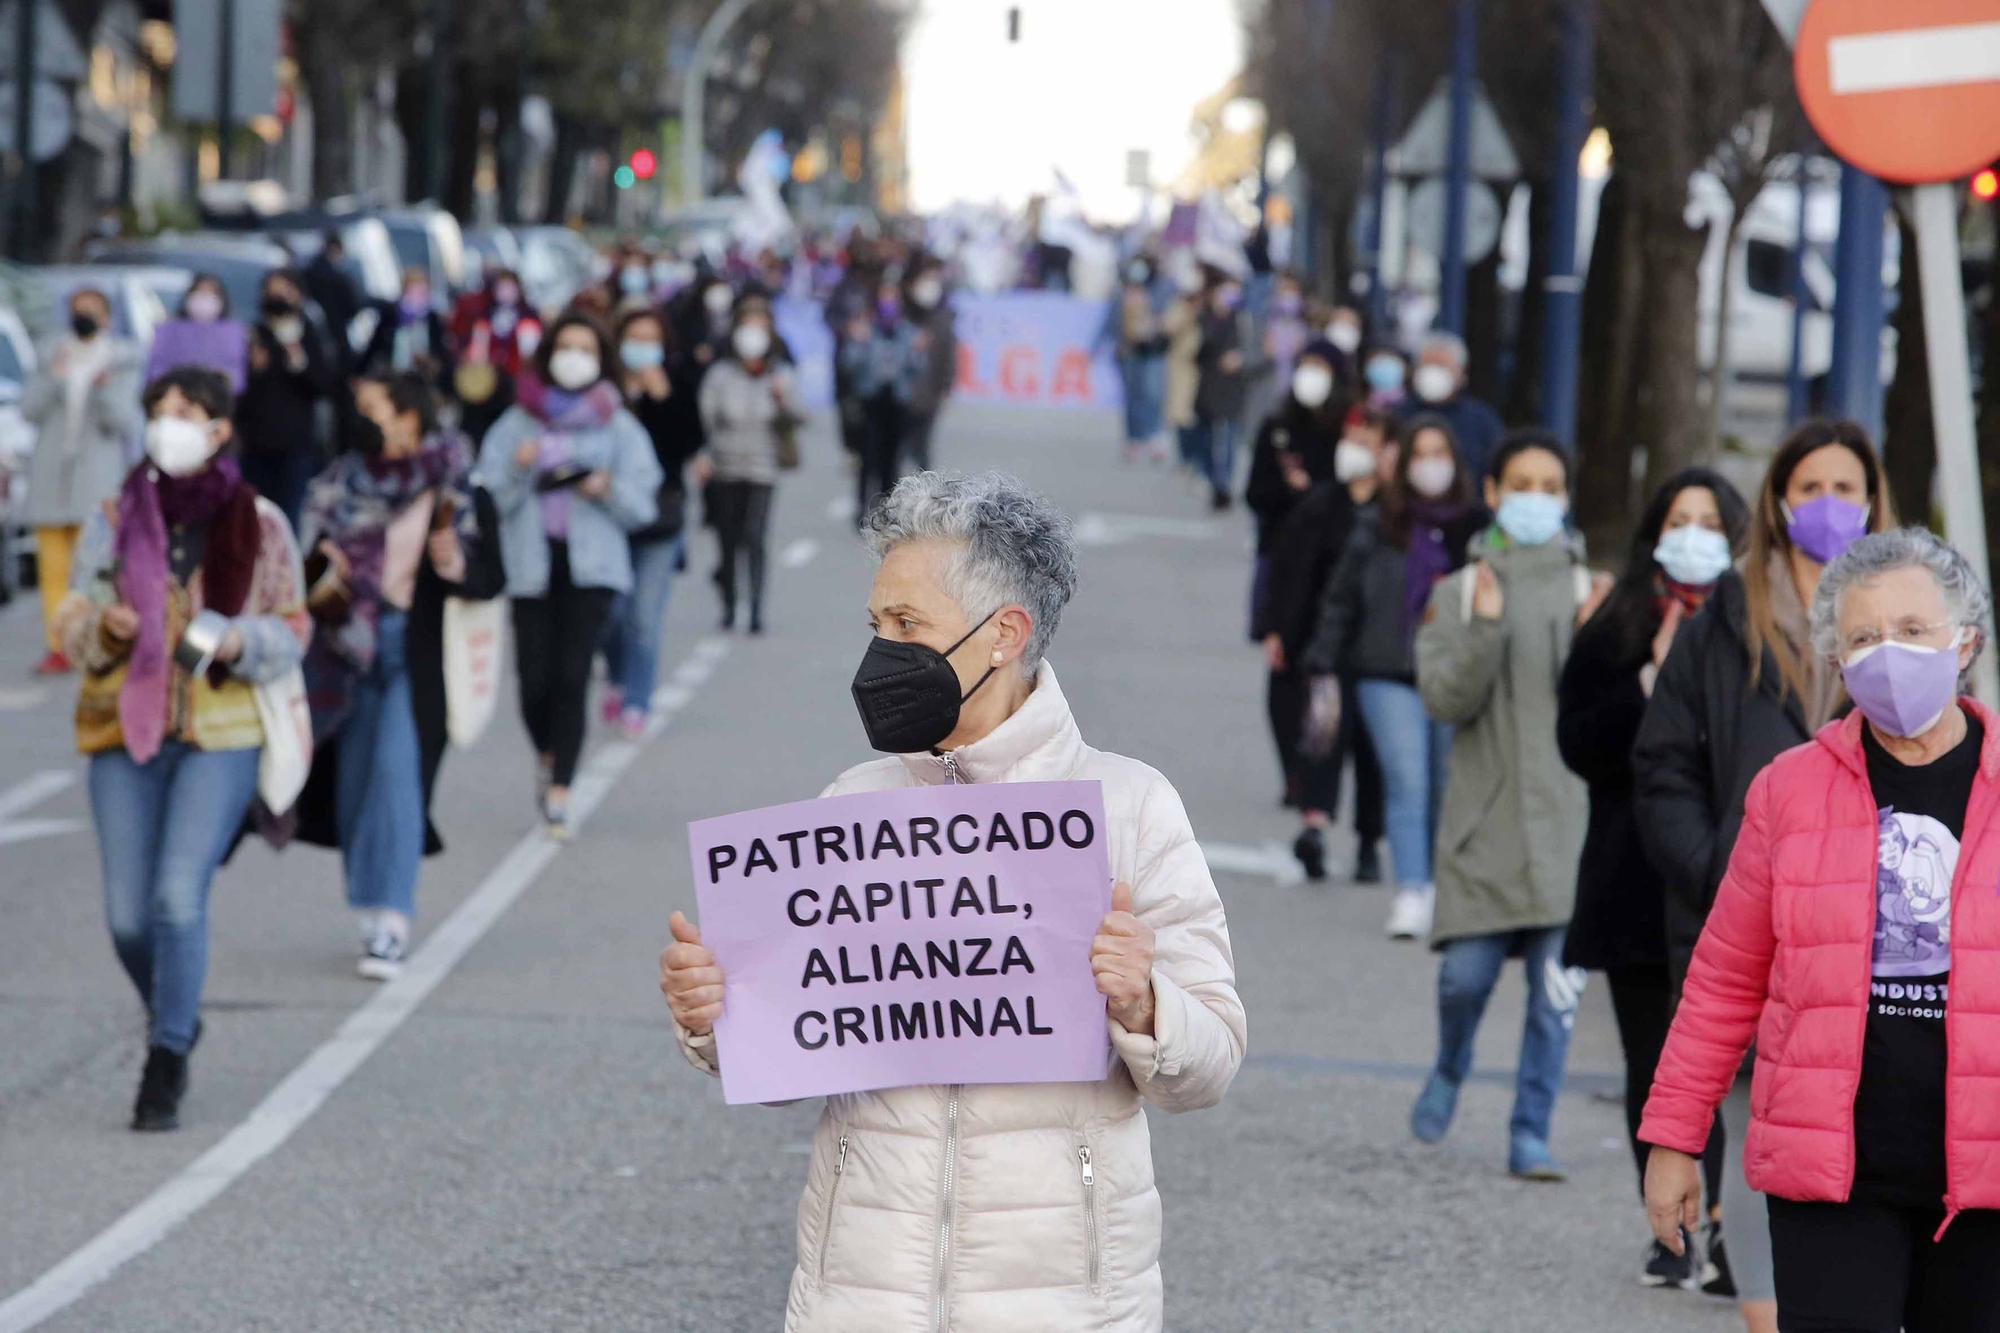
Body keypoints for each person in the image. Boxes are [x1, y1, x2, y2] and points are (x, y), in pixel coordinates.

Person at [657, 470, 1246, 1332]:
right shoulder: (854, 806)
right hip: (860, 1293)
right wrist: (715, 1015)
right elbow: (790, 1050)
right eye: (875, 625)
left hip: (1067, 1300)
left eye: (907, 626)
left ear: (1004, 633)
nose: (880, 654)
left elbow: (1213, 1059)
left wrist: (1145, 1000)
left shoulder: (1128, 806)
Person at [1642, 528, 2000, 1333]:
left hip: (1988, 1177)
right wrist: (1674, 1137)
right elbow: (1725, 978)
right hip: (1832, 1176)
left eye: (1912, 630)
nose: (1889, 653)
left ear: (1964, 638)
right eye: (1865, 637)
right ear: (1837, 661)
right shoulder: (1789, 791)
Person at [1633, 418, 1893, 1328]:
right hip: (1743, 914)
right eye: (1811, 488)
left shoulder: (1897, 620)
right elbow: (1660, 764)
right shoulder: (1729, 621)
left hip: (1875, 930)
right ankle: (1764, 1310)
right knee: (1753, 1122)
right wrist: (1716, 870)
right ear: (1780, 501)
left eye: (1846, 488)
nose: (1829, 506)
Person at [52, 367, 309, 1131]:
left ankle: (166, 1055)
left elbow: (294, 625)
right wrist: (105, 627)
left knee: (175, 895)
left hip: (219, 732)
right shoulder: (114, 516)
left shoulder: (259, 523)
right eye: (161, 411)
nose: (171, 423)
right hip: (120, 729)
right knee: (128, 916)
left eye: (186, 412)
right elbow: (72, 614)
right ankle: (178, 1010)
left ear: (221, 428)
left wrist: (238, 637)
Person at [1557, 467, 1749, 1287]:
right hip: (1634, 875)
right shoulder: (1615, 622)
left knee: (1739, 1067)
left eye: (1712, 519)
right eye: (1681, 517)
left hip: (1735, 878)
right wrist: (1651, 685)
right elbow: (1582, 745)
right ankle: (1670, 1226)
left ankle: (1729, 1225)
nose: (1696, 532)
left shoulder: (1762, 626)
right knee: (1655, 1061)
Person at [1407, 429, 1605, 1180]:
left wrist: (1598, 639)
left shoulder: (1591, 589)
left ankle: (1531, 1128)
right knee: (1465, 977)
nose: (1536, 497)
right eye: (1520, 482)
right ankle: (1451, 1063)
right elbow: (1444, 698)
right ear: (1492, 492)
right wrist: (1486, 623)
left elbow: (1606, 709)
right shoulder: (1457, 591)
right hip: (1484, 826)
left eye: (1551, 484)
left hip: (1566, 828)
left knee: (1555, 1000)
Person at [293, 371, 503, 978]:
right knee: (355, 786)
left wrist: (453, 558)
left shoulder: (453, 480)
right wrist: (320, 570)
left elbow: (491, 574)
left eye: (375, 407)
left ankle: (391, 918)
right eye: (358, 406)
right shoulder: (335, 483)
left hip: (416, 651)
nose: (363, 417)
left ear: (410, 416)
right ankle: (369, 902)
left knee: (396, 773)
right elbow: (295, 573)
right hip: (343, 651)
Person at [472, 312, 662, 838]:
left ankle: (561, 790)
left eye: (586, 348)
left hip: (594, 569)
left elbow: (642, 504)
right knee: (534, 680)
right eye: (566, 346)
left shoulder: (617, 424)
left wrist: (604, 488)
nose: (574, 357)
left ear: (601, 360)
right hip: (530, 566)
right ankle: (549, 752)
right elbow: (486, 496)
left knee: (572, 674)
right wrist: (518, 465)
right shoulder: (516, 421)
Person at [1302, 415, 1486, 936]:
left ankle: (1444, 886)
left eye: (1439, 452)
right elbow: (1342, 595)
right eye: (1420, 453)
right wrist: (1322, 659)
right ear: (1403, 464)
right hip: (1385, 670)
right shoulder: (1380, 522)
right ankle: (1413, 889)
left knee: (1446, 782)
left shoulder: (1475, 529)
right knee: (1407, 779)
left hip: (1456, 673)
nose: (1431, 464)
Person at [1260, 405, 1390, 881]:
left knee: (1374, 750)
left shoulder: (1394, 514)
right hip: (1325, 650)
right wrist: (1277, 631)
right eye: (1351, 437)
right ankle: (1314, 825)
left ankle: (1369, 843)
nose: (1355, 449)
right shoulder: (1319, 505)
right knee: (1323, 735)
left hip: (1382, 652)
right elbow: (1289, 574)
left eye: (1368, 441)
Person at [21, 286, 143, 674]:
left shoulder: (121, 361)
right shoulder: (51, 356)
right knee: (53, 570)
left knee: (92, 567)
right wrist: (56, 378)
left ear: (107, 318)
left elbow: (124, 423)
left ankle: (93, 638)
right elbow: (29, 410)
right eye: (78, 310)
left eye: (92, 310)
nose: (84, 317)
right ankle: (58, 644)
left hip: (97, 479)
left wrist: (103, 389)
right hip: (50, 477)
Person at [599, 308, 705, 736]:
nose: (641, 348)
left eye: (650, 339)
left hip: (661, 517)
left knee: (644, 615)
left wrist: (662, 400)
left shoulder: (677, 385)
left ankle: (637, 702)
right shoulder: (604, 390)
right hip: (610, 514)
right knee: (611, 611)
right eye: (634, 338)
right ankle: (616, 674)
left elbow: (690, 443)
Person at [700, 303, 798, 635]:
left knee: (755, 537)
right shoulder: (720, 375)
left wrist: (783, 400)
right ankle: (729, 603)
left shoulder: (780, 373)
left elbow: (799, 418)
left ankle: (756, 608)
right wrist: (706, 456)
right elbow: (708, 420)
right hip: (725, 468)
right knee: (728, 540)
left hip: (763, 469)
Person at [1246, 348, 1346, 636]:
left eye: (1319, 367)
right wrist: (1289, 488)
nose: (1310, 375)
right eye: (1305, 366)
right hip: (1279, 549)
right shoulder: (1276, 427)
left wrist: (1313, 490)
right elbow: (1255, 494)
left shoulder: (1344, 432)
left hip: (1329, 554)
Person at [236, 268, 337, 530]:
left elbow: (322, 383)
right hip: (256, 443)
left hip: (294, 444)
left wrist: (296, 355)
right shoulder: (253, 334)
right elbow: (239, 392)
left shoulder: (308, 333)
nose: (278, 296)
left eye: (285, 290)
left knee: (288, 516)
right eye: (272, 290)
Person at [839, 279, 918, 522]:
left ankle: (888, 512)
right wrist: (858, 343)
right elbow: (848, 365)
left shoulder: (907, 332)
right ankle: (862, 509)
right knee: (868, 460)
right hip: (871, 404)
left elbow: (916, 369)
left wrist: (917, 351)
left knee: (891, 462)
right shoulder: (866, 330)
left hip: (896, 404)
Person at [448, 267, 544, 444]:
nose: (505, 291)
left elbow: (530, 352)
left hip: (512, 383)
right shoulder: (486, 315)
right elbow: (475, 345)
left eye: (510, 286)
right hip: (484, 382)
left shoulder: (527, 316)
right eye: (501, 286)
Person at [1191, 275, 1254, 510]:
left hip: (1233, 389)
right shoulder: (1207, 318)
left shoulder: (1244, 320)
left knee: (1228, 439)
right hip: (1209, 387)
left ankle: (1223, 485)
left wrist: (1241, 359)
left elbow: (1255, 350)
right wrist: (1215, 315)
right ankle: (1212, 478)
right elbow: (1198, 348)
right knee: (1207, 439)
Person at [1408, 332, 1503, 481]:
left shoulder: (1482, 420)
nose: (1433, 372)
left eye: (1441, 365)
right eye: (1428, 364)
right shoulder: (1396, 414)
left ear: (1461, 373)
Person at [147, 273, 249, 393]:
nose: (204, 297)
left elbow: (237, 378)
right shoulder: (168, 330)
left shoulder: (233, 332)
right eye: (199, 291)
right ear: (189, 295)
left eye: (211, 292)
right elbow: (155, 371)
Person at [1114, 255, 1171, 464]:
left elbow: (1166, 320)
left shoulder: (1160, 291)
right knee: (1133, 398)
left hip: (1152, 352)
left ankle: (1155, 436)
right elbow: (1113, 322)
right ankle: (1134, 439)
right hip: (1130, 353)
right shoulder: (1122, 294)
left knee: (1153, 395)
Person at [901, 263, 957, 473]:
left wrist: (945, 388)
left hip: (928, 396)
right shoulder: (903, 315)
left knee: (921, 448)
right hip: (900, 394)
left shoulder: (943, 320)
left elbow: (948, 359)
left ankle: (926, 493)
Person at [363, 267, 452, 390]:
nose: (417, 297)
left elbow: (441, 350)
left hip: (423, 378)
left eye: (421, 292)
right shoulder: (392, 314)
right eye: (413, 290)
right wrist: (360, 372)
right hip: (394, 375)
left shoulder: (432, 318)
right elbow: (375, 344)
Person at [1162, 263, 1206, 477]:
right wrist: (1188, 315)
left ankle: (1199, 460)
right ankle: (1185, 458)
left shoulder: (1208, 305)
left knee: (1200, 418)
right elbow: (1168, 327)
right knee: (1181, 416)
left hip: (1203, 369)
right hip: (1181, 368)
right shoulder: (1179, 306)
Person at [303, 231, 363, 365]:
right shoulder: (339, 278)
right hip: (337, 334)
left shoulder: (307, 273)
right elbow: (352, 307)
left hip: (313, 337)